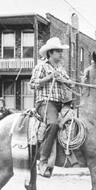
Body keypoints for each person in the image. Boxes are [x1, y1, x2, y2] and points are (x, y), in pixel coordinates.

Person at [29, 37, 74, 178]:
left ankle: (70, 155)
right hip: (45, 104)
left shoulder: (60, 68)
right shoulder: (41, 66)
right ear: (50, 53)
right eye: (58, 51)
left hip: (61, 104)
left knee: (75, 124)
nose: (61, 54)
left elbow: (70, 83)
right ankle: (43, 161)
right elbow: (32, 84)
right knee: (53, 124)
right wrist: (48, 78)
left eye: (61, 51)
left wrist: (65, 81)